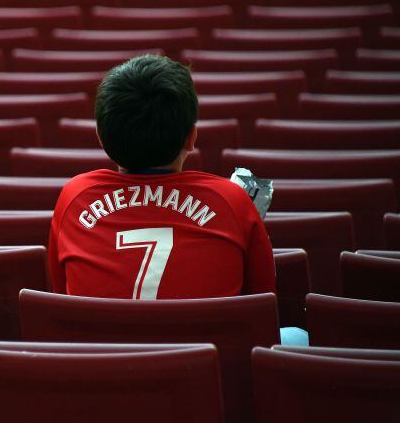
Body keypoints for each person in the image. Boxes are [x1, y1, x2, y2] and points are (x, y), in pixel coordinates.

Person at [49, 54, 308, 345]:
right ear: (192, 137)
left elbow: (64, 300)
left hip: (103, 375)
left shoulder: (75, 197)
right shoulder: (232, 200)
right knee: (299, 335)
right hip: (211, 376)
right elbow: (261, 310)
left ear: (100, 136)